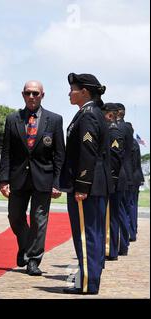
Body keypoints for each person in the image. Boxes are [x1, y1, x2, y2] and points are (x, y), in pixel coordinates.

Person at [0, 80, 65, 276]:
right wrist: (3, 180)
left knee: (39, 220)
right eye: (28, 93)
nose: (32, 97)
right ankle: (26, 245)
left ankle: (33, 260)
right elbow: (6, 151)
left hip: (43, 177)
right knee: (15, 217)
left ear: (42, 95)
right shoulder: (13, 119)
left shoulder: (55, 120)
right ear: (23, 94)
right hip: (18, 177)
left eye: (36, 93)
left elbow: (59, 153)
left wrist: (57, 182)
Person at [60, 73, 113, 295]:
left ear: (84, 92)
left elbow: (87, 152)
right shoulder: (90, 113)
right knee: (94, 233)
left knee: (85, 234)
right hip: (96, 183)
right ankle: (89, 279)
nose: (69, 93)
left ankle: (87, 283)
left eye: (73, 89)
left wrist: (81, 185)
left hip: (87, 185)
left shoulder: (88, 115)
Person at [101, 103, 126, 261]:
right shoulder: (111, 129)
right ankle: (111, 248)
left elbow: (115, 157)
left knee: (111, 215)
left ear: (109, 115)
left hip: (114, 179)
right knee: (111, 215)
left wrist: (111, 179)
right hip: (113, 179)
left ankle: (110, 249)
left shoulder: (114, 130)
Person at [115, 103, 134, 251]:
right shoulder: (127, 127)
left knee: (118, 210)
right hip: (126, 172)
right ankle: (123, 242)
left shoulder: (118, 128)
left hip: (117, 173)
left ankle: (120, 244)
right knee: (123, 209)